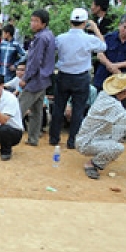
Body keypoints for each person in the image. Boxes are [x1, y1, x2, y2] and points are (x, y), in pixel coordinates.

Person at [49, 8, 106, 149]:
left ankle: (54, 138)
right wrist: (96, 29)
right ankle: (72, 140)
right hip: (81, 77)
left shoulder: (61, 38)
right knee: (78, 110)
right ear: (85, 23)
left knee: (58, 108)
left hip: (63, 75)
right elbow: (103, 46)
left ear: (70, 21)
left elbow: (52, 50)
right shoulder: (89, 39)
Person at [76, 73, 126, 179]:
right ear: (122, 92)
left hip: (92, 135)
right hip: (86, 143)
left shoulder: (105, 94)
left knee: (122, 128)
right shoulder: (111, 104)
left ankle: (106, 153)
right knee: (118, 148)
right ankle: (92, 164)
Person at [18, 9, 56, 146]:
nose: (32, 23)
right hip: (44, 79)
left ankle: (8, 136)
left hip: (35, 79)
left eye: (36, 21)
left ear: (44, 23)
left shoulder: (40, 38)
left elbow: (35, 61)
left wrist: (25, 78)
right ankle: (33, 138)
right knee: (36, 110)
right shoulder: (49, 35)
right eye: (32, 20)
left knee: (19, 108)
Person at [92, 14, 126, 91]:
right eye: (125, 27)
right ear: (119, 25)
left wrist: (116, 66)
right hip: (103, 77)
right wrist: (110, 65)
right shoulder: (108, 37)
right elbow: (100, 54)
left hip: (122, 79)